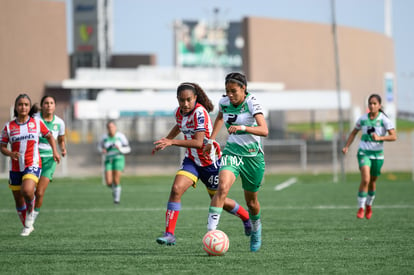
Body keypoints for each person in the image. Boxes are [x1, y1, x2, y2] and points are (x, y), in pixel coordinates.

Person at [152, 82, 252, 246]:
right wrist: (166, 139)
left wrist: (172, 142)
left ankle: (245, 216)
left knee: (219, 199)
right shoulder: (179, 112)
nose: (184, 104)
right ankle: (169, 234)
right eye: (181, 100)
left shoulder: (200, 113)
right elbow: (180, 125)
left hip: (210, 163)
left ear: (195, 98)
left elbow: (199, 143)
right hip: (192, 161)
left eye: (188, 100)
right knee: (176, 189)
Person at [205, 72, 268, 252]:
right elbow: (219, 117)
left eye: (233, 91)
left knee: (252, 202)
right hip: (232, 153)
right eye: (227, 91)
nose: (230, 95)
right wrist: (211, 140)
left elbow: (264, 130)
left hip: (252, 157)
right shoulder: (224, 102)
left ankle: (256, 230)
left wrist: (242, 127)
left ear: (243, 88)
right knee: (222, 188)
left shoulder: (252, 102)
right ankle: (210, 233)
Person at [0, 93, 60, 236]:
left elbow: (50, 136)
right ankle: (27, 225)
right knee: (18, 200)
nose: (23, 107)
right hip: (15, 167)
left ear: (29, 107)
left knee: (27, 191)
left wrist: (55, 151)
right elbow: (2, 147)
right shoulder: (9, 127)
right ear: (16, 107)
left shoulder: (36, 123)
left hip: (32, 163)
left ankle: (30, 218)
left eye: (26, 104)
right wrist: (10, 154)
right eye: (20, 104)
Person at [342, 93, 397, 219]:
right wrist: (347, 146)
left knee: (372, 181)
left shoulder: (384, 119)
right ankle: (361, 207)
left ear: (379, 105)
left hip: (378, 155)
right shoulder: (362, 119)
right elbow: (354, 132)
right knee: (365, 179)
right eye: (370, 103)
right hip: (364, 153)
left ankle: (369, 205)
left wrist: (380, 137)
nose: (372, 106)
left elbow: (394, 136)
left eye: (374, 103)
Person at [32, 95, 66, 225]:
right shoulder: (34, 119)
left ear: (55, 106)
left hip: (50, 159)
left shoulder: (59, 122)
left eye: (51, 103)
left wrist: (62, 149)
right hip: (34, 157)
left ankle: (32, 218)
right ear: (42, 105)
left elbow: (61, 140)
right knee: (29, 190)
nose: (49, 105)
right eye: (46, 103)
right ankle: (27, 211)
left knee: (39, 193)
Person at [98, 120, 131, 204]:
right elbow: (99, 147)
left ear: (115, 127)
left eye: (112, 127)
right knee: (109, 182)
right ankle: (115, 190)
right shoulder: (104, 137)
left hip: (118, 158)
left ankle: (117, 199)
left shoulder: (120, 136)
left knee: (116, 180)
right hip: (108, 159)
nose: (111, 129)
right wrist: (102, 150)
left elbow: (128, 148)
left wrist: (120, 149)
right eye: (109, 127)